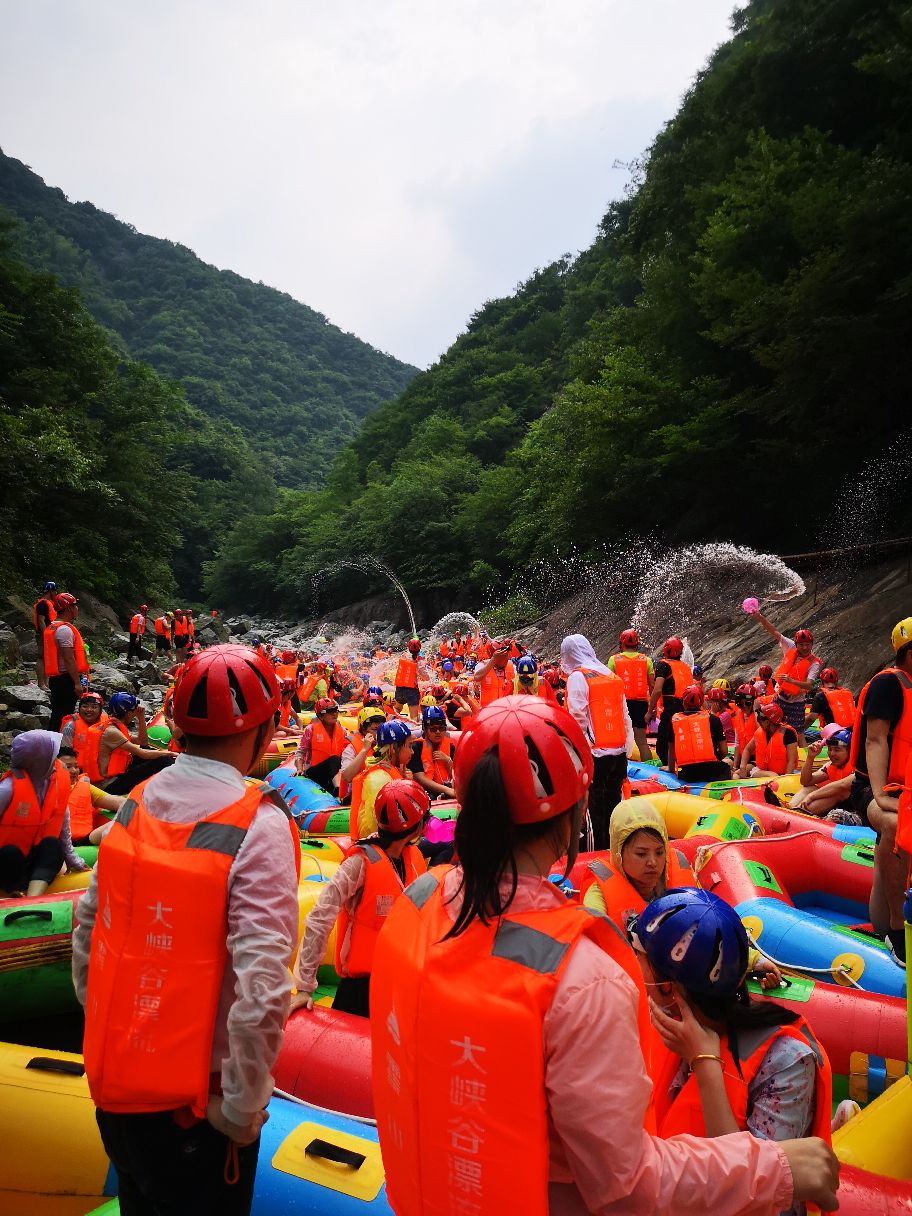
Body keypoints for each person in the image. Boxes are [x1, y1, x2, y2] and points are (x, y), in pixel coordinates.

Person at [370, 695, 840, 1216]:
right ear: (574, 816)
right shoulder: (585, 975)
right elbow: (626, 1191)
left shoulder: (415, 903)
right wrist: (775, 1169)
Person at [72, 643, 301, 1216]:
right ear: (268, 727)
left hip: (119, 1092)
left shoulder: (139, 800)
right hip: (199, 1112)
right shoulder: (259, 824)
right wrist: (243, 1110)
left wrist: (107, 1030)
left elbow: (87, 927)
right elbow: (266, 985)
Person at [636, 889, 832, 1216]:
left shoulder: (787, 1061)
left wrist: (706, 1065)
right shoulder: (660, 1021)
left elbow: (757, 1200)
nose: (633, 969)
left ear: (669, 986)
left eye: (640, 960)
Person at [290, 779, 429, 1018]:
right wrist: (304, 987)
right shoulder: (360, 863)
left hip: (400, 984)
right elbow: (320, 916)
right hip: (360, 991)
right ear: (417, 828)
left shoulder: (413, 858)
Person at [849, 617, 912, 965]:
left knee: (887, 853)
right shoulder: (889, 685)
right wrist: (879, 794)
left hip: (905, 792)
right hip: (874, 788)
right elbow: (874, 740)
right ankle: (898, 930)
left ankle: (880, 930)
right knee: (892, 825)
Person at [560, 633, 633, 851]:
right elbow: (624, 715)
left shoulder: (578, 677)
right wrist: (627, 749)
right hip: (618, 753)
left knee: (593, 812)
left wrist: (574, 756)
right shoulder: (610, 675)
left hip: (594, 756)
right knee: (613, 808)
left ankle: (596, 856)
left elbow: (577, 719)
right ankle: (617, 852)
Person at [580, 800, 695, 937]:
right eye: (641, 854)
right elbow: (592, 941)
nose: (653, 862)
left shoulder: (676, 879)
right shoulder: (598, 897)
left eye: (659, 852)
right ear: (619, 855)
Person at [0, 729, 69, 896]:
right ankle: (14, 891)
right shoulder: (6, 789)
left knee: (52, 844)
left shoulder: (52, 785)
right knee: (11, 852)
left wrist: (74, 860)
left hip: (31, 860)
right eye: (51, 760)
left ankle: (31, 898)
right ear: (38, 761)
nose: (56, 765)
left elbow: (64, 828)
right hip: (6, 862)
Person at [748, 611, 821, 745]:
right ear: (796, 644)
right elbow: (774, 631)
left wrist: (791, 681)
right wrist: (759, 616)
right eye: (801, 645)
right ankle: (765, 747)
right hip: (780, 698)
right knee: (767, 721)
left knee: (799, 734)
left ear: (812, 644)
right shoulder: (791, 646)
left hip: (796, 702)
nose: (805, 648)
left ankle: (805, 760)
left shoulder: (814, 662)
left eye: (808, 644)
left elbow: (810, 685)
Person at [349, 719, 414, 840]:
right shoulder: (380, 779)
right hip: (381, 846)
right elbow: (375, 827)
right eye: (409, 746)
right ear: (394, 749)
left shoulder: (391, 772)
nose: (412, 751)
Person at [58, 745, 124, 848]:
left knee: (114, 825)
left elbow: (119, 803)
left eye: (76, 766)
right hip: (56, 844)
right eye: (68, 766)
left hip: (82, 842)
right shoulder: (43, 790)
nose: (74, 771)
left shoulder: (85, 787)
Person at [96, 692, 166, 790]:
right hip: (110, 784)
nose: (134, 714)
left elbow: (142, 742)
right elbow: (143, 754)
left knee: (146, 748)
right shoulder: (112, 732)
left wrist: (141, 717)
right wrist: (170, 753)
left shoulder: (113, 725)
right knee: (163, 760)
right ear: (128, 713)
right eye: (134, 711)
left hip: (116, 773)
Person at [44, 592, 91, 731]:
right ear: (69, 608)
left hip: (58, 678)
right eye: (75, 606)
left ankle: (55, 743)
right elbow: (69, 658)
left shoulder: (53, 626)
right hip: (66, 679)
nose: (77, 609)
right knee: (63, 714)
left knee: (58, 712)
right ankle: (59, 745)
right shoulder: (64, 630)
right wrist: (77, 683)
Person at [645, 638, 693, 767]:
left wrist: (650, 711)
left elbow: (657, 690)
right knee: (679, 741)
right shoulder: (686, 667)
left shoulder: (663, 665)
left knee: (662, 747)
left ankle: (670, 768)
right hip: (688, 709)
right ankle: (681, 765)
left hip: (671, 709)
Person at [789, 729, 857, 821]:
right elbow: (806, 781)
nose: (832, 753)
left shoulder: (857, 767)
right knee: (809, 788)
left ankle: (797, 814)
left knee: (836, 793)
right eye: (830, 749)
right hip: (835, 805)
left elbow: (842, 786)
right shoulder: (831, 766)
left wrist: (811, 796)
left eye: (837, 750)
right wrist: (810, 757)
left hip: (853, 809)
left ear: (850, 751)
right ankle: (790, 809)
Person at [669, 685, 732, 783]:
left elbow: (672, 751)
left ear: (683, 702)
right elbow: (724, 751)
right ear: (702, 702)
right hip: (713, 772)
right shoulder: (714, 719)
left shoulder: (674, 721)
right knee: (729, 767)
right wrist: (715, 759)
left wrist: (670, 769)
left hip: (687, 774)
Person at [608, 629, 655, 762]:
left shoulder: (613, 660)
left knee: (621, 739)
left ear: (621, 643)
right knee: (642, 742)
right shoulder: (647, 660)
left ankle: (622, 769)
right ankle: (650, 768)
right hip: (641, 704)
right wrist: (652, 708)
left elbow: (610, 685)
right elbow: (652, 686)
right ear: (636, 643)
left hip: (622, 703)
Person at [292, 698, 350, 796]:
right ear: (321, 716)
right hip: (314, 770)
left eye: (336, 710)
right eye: (330, 711)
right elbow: (301, 752)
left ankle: (340, 788)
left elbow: (348, 750)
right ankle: (339, 789)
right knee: (334, 759)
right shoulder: (310, 730)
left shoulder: (342, 730)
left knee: (339, 760)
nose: (335, 714)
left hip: (333, 770)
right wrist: (299, 769)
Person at [735, 703, 799, 779]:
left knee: (773, 775)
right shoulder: (761, 732)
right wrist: (742, 767)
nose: (758, 722)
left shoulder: (788, 734)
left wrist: (784, 780)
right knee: (736, 774)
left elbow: (791, 761)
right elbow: (748, 749)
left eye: (760, 720)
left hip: (779, 775)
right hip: (761, 770)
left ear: (768, 722)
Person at [338, 704, 387, 803]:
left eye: (381, 729)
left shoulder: (388, 745)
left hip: (383, 792)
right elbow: (346, 777)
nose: (378, 734)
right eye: (374, 729)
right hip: (359, 796)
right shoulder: (351, 749)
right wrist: (364, 750)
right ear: (364, 730)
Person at [407, 705, 455, 800]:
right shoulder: (415, 748)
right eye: (433, 729)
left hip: (448, 789)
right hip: (426, 793)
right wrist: (446, 790)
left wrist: (448, 760)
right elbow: (419, 778)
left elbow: (455, 776)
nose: (437, 732)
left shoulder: (451, 747)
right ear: (425, 729)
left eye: (441, 728)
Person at [61, 690, 109, 781]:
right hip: (78, 773)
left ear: (100, 710)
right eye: (85, 706)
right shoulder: (70, 726)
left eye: (94, 707)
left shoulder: (106, 724)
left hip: (102, 772)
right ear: (79, 709)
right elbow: (63, 756)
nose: (89, 710)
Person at [473, 640, 517, 707]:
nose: (506, 660)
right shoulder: (482, 665)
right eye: (502, 658)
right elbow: (476, 678)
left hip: (506, 709)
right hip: (488, 710)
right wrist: (493, 660)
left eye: (506, 657)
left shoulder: (512, 666)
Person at [33, 580, 57, 690]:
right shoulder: (43, 604)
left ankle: (46, 682)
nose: (56, 593)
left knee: (47, 658)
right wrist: (46, 635)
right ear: (51, 591)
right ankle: (41, 683)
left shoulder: (48, 603)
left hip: (48, 633)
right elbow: (41, 620)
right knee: (42, 657)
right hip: (43, 634)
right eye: (55, 591)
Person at [731, 685, 759, 771]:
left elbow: (761, 732)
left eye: (748, 703)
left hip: (756, 758)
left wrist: (756, 710)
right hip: (742, 755)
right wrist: (735, 766)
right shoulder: (738, 715)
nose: (744, 706)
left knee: (738, 773)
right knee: (726, 764)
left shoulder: (761, 716)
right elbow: (737, 743)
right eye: (740, 704)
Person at [394, 638, 423, 721]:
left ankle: (392, 724)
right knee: (414, 716)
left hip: (400, 688)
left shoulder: (403, 656)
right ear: (419, 648)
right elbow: (426, 676)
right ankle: (415, 732)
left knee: (397, 709)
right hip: (412, 690)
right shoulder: (419, 661)